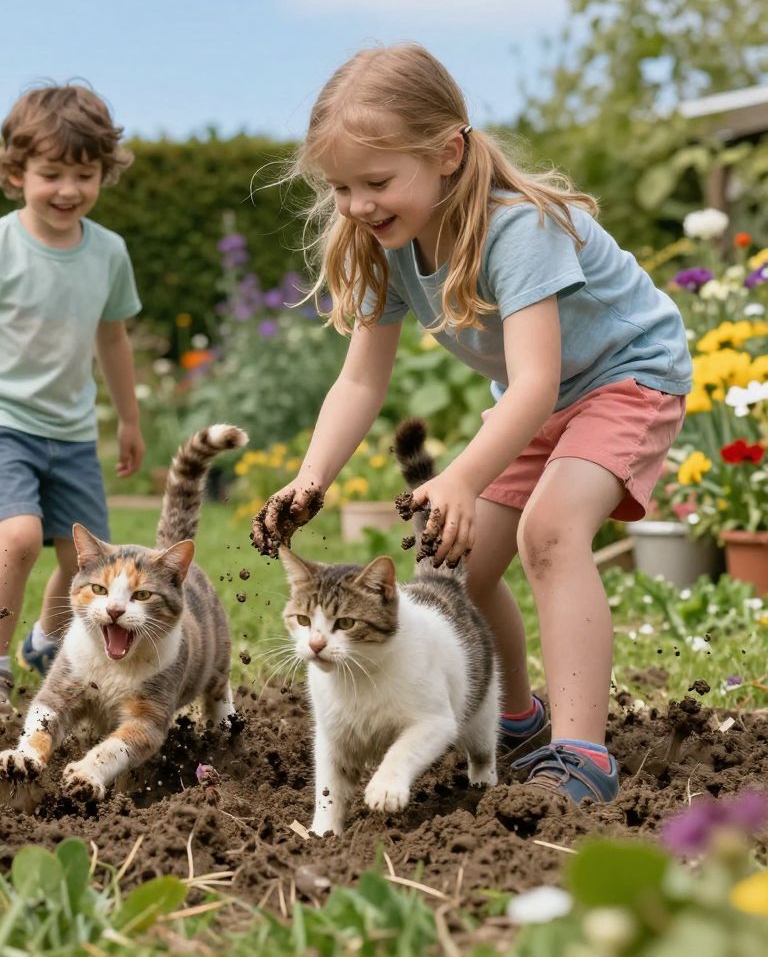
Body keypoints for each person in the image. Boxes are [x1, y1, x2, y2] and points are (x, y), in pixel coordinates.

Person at [251, 44, 691, 804]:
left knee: (549, 534)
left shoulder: (516, 230)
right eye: (341, 187)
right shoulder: (387, 244)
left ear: (448, 153)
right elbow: (360, 379)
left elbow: (536, 381)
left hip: (626, 378)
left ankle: (583, 753)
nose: (357, 204)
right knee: (458, 563)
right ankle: (515, 719)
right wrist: (311, 477)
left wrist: (459, 474)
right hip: (537, 403)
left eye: (377, 182)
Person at [0, 83, 144, 710]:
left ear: (102, 175)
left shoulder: (110, 253)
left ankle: (44, 644)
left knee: (87, 563)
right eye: (51, 173)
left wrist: (128, 418)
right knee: (16, 537)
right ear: (16, 173)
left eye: (84, 174)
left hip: (68, 429)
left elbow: (113, 340)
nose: (68, 189)